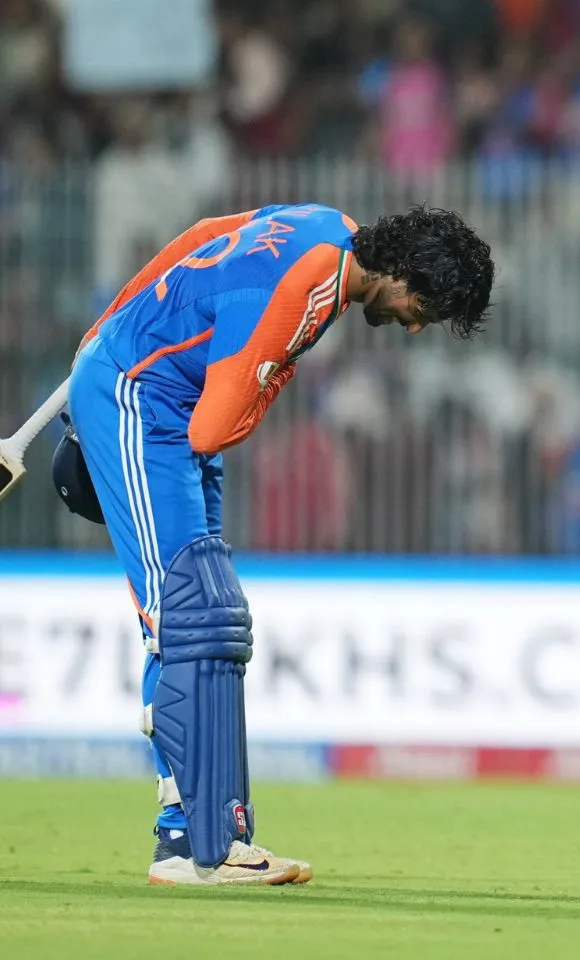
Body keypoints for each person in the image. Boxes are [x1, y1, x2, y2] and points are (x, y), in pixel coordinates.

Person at [55, 203, 494, 885]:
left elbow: (201, 236)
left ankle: (195, 838)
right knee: (188, 617)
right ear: (404, 270)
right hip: (140, 402)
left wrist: (107, 325)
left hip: (157, 395)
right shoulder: (309, 291)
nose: (413, 325)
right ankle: (199, 850)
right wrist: (276, 371)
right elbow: (214, 429)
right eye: (423, 309)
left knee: (197, 618)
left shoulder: (328, 223)